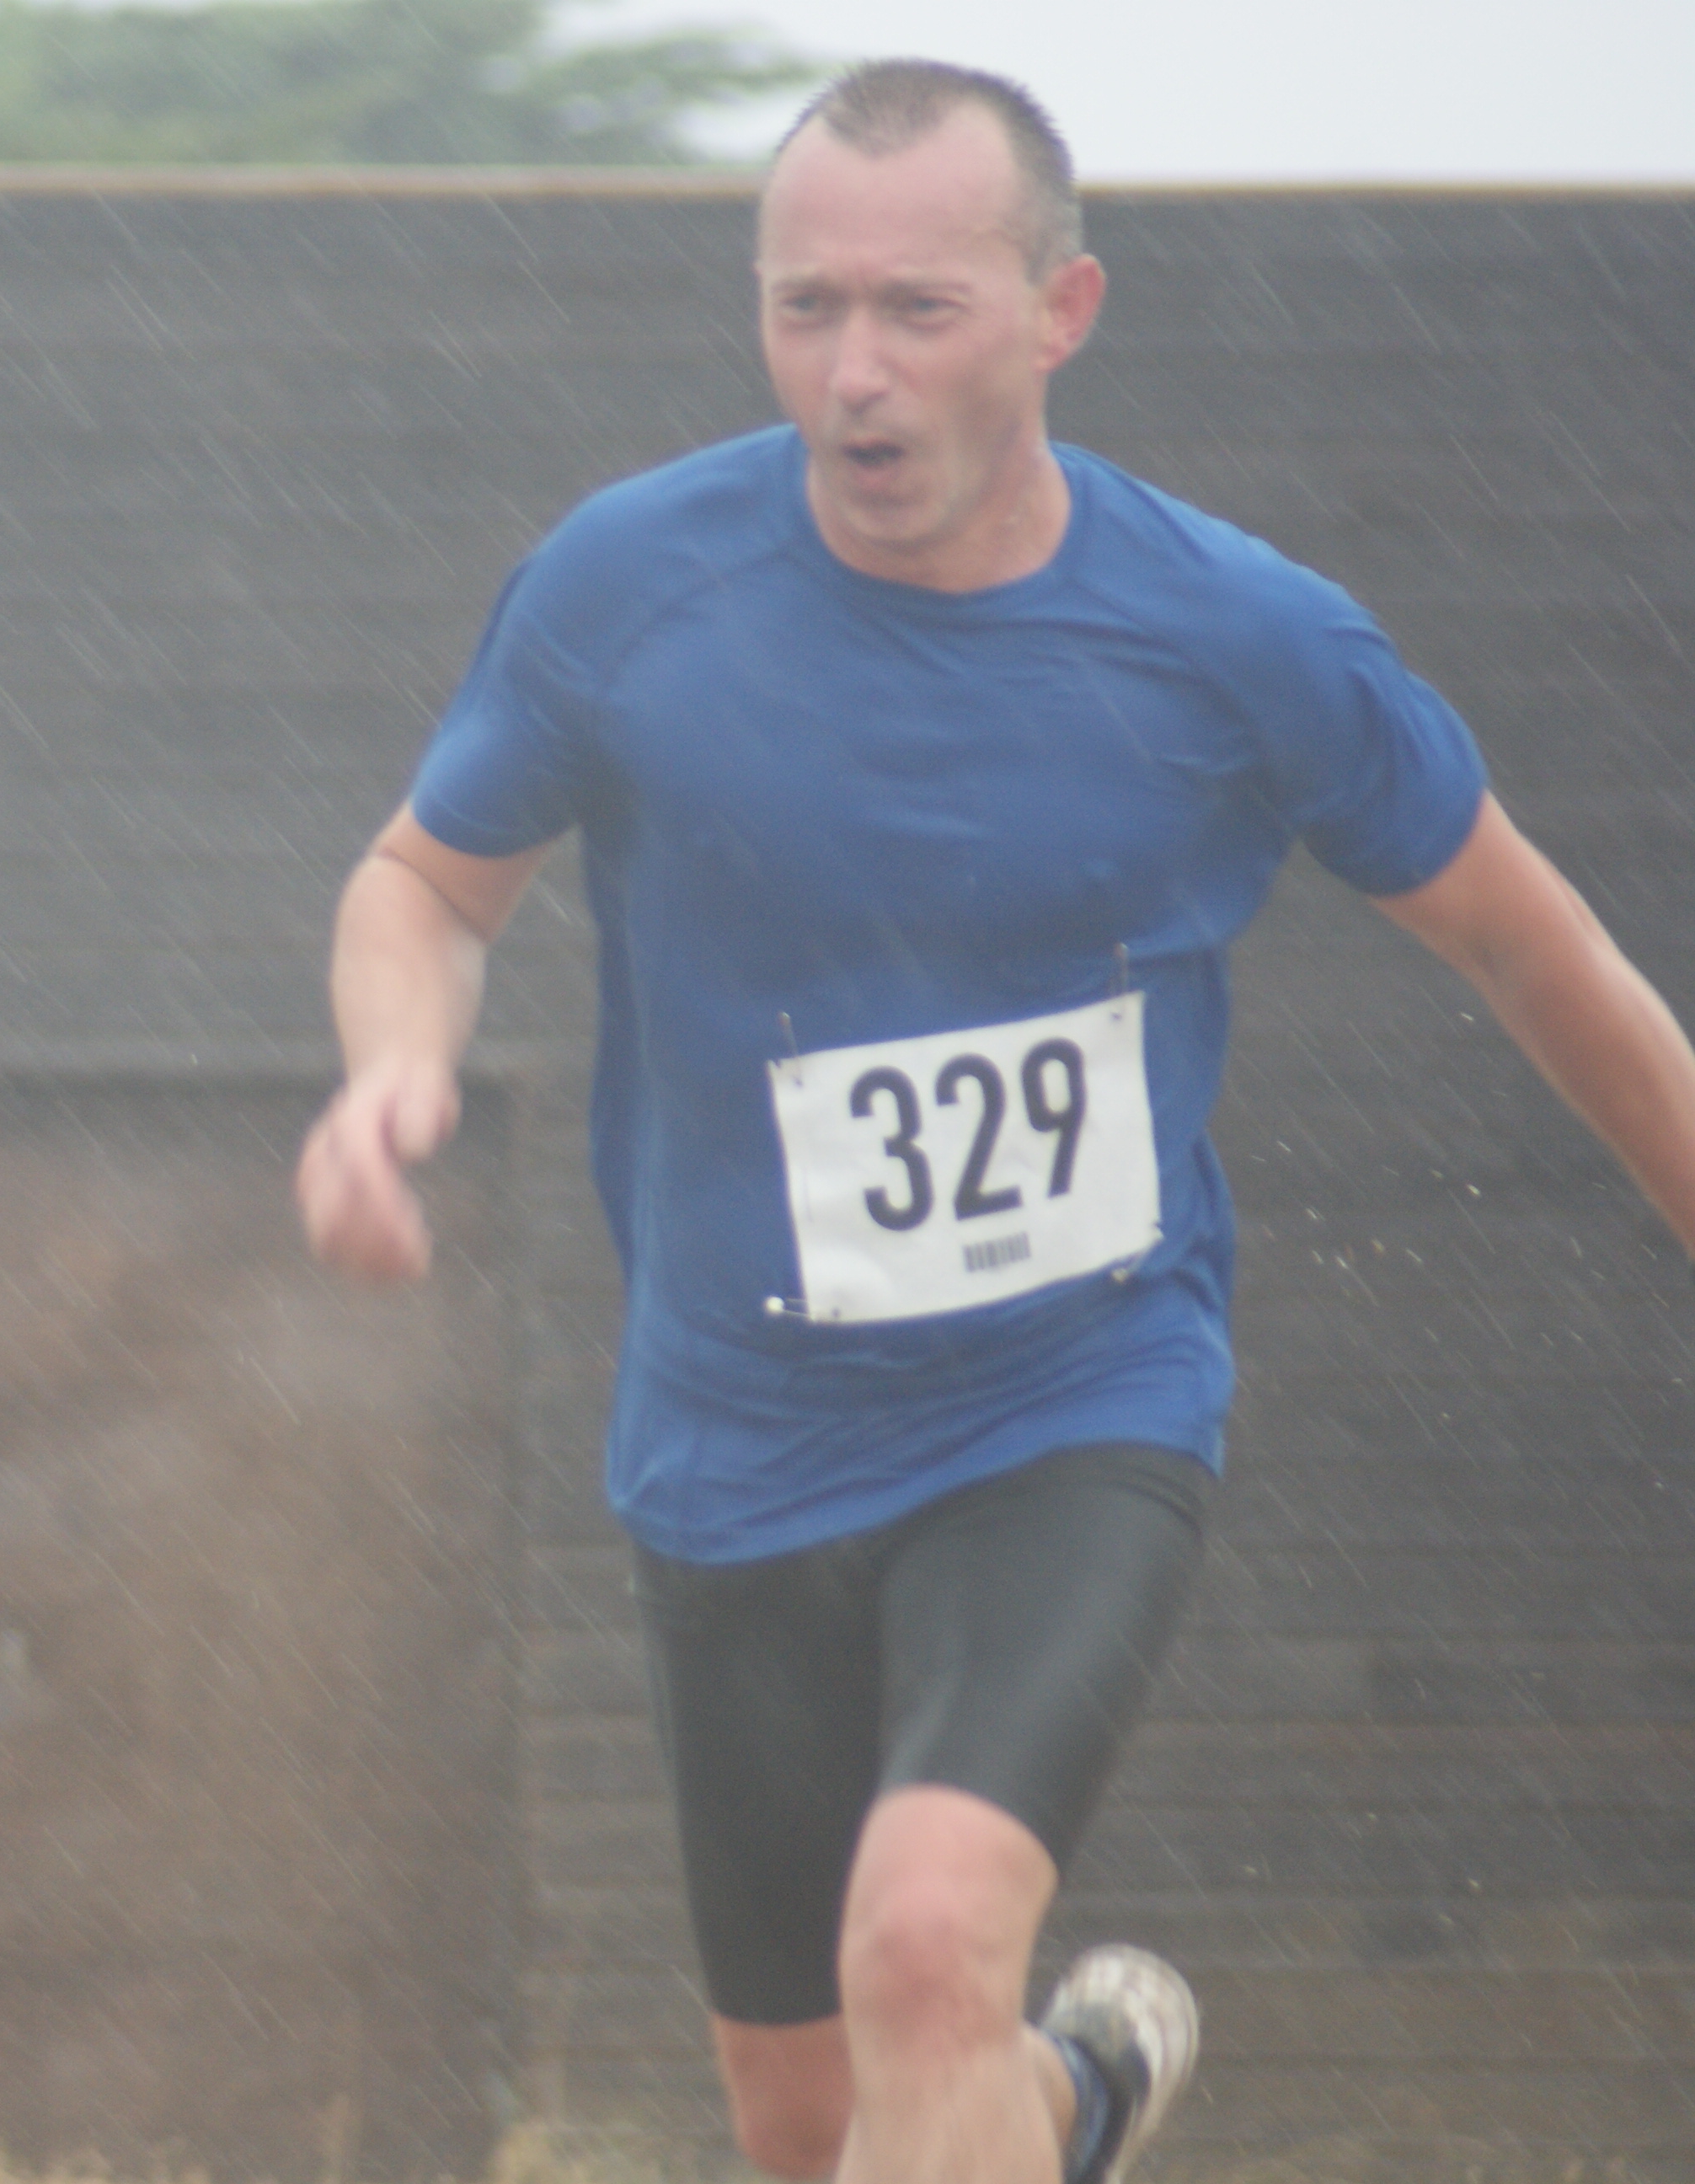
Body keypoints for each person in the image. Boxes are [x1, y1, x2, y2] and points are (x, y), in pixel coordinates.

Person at [294, 56, 1695, 2184]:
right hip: (734, 1433)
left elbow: (1526, 940)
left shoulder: (1234, 637)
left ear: (1061, 311)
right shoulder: (627, 589)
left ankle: (1007, 2071)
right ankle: (1077, 2098)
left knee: (928, 1947)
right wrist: (388, 1064)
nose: (851, 373)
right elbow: (423, 885)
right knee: (808, 2125)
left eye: (915, 310)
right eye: (803, 309)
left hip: (1072, 1398)